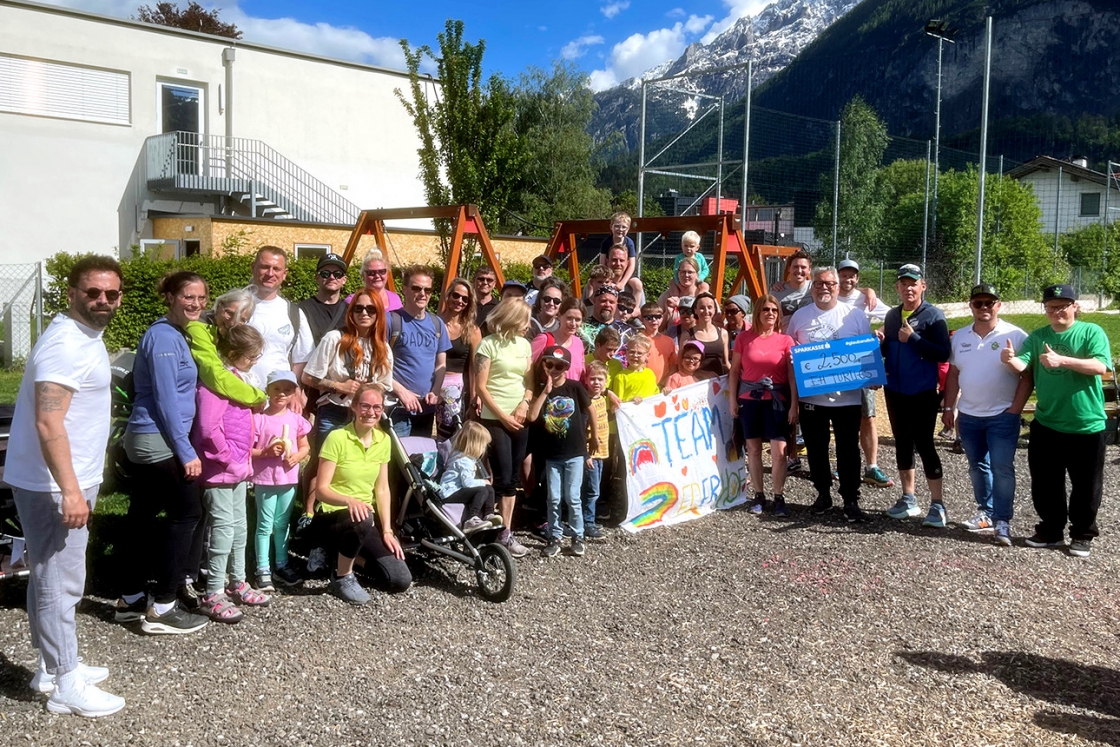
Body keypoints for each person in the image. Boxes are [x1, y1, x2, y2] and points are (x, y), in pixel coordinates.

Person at [6, 255, 126, 716]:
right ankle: (65, 681)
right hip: (55, 484)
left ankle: (48, 664)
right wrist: (71, 490)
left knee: (50, 576)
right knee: (60, 580)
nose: (102, 301)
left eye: (111, 294)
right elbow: (47, 419)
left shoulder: (82, 336)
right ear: (72, 293)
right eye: (92, 292)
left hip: (64, 478)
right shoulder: (65, 344)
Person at [116, 271, 211, 635]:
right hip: (159, 439)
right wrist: (185, 450)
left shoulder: (174, 334)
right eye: (188, 296)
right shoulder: (164, 337)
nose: (197, 304)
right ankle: (164, 607)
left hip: (150, 437)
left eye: (202, 298)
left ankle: (131, 598)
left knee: (141, 517)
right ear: (170, 297)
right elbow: (168, 400)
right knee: (187, 513)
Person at [1002, 283, 1111, 558]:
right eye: (1051, 307)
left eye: (1062, 306)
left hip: (1086, 424)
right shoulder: (1038, 336)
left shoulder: (1091, 332)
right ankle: (1051, 530)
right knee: (1045, 483)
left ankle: (1082, 534)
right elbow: (1023, 366)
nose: (1056, 311)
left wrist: (1063, 360)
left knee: (1086, 485)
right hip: (1048, 423)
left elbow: (1100, 366)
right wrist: (1010, 360)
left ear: (1075, 306)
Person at [194, 324, 271, 623]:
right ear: (235, 354)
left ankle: (237, 582)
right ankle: (213, 591)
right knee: (223, 530)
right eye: (252, 356)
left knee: (240, 527)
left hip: (239, 468)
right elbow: (208, 429)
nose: (255, 361)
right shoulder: (215, 384)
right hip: (221, 471)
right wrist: (227, 460)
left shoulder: (234, 379)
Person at [942, 284, 1030, 546]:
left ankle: (1002, 519)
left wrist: (1015, 409)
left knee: (1002, 468)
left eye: (989, 303)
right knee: (977, 466)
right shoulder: (959, 337)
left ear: (998, 306)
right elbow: (954, 373)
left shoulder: (1015, 335)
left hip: (1002, 415)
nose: (983, 308)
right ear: (970, 306)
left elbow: (1027, 376)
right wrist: (949, 408)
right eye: (978, 303)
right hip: (968, 415)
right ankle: (986, 511)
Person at [311, 384, 411, 604]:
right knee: (363, 517)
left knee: (400, 579)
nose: (371, 412)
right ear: (354, 407)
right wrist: (349, 500)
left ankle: (344, 558)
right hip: (332, 514)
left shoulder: (383, 440)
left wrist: (387, 530)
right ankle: (342, 576)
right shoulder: (337, 438)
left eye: (377, 407)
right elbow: (321, 490)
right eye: (365, 406)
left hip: (363, 520)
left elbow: (382, 488)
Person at [787, 266, 872, 522]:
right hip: (812, 398)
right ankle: (823, 493)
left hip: (848, 398)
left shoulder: (855, 317)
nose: (824, 287)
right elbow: (789, 353)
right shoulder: (800, 317)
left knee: (848, 449)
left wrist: (871, 375)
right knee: (816, 449)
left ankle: (850, 498)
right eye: (819, 283)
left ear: (838, 286)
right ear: (812, 286)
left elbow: (867, 355)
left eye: (829, 284)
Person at [881, 264, 951, 527]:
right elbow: (889, 350)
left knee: (924, 444)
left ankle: (938, 504)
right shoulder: (891, 316)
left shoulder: (934, 316)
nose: (908, 288)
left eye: (914, 283)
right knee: (902, 442)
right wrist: (880, 344)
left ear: (923, 286)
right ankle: (909, 498)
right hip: (895, 390)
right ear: (898, 287)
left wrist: (914, 339)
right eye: (903, 283)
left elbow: (943, 353)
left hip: (921, 392)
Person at [475, 298, 534, 558]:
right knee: (501, 475)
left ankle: (505, 532)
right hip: (494, 419)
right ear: (511, 319)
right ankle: (492, 530)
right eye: (524, 320)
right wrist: (501, 416)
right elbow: (481, 387)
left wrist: (524, 404)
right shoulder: (487, 345)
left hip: (519, 418)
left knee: (512, 479)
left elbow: (529, 381)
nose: (528, 325)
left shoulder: (524, 345)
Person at [729, 294, 794, 517]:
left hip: (777, 400)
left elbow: (791, 375)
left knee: (779, 452)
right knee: (754, 449)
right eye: (766, 309)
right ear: (757, 312)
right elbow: (735, 371)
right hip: (750, 399)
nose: (770, 314)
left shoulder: (786, 340)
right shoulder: (744, 338)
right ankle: (758, 494)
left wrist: (794, 404)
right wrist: (732, 400)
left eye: (774, 310)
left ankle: (779, 496)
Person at [530, 345, 597, 558]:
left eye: (559, 365)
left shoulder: (575, 387)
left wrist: (594, 436)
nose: (554, 369)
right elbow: (532, 417)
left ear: (566, 367)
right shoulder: (541, 388)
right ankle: (555, 536)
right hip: (552, 455)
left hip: (575, 452)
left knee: (572, 496)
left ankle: (578, 535)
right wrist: (545, 392)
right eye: (550, 364)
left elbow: (591, 409)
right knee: (554, 498)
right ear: (544, 365)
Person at [251, 370, 312, 590]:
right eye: (277, 389)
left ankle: (282, 563)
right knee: (264, 524)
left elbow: (305, 446)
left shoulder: (296, 420)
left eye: (287, 390)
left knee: (282, 523)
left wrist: (297, 456)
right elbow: (249, 450)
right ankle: (263, 567)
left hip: (288, 479)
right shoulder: (259, 419)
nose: (281, 394)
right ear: (268, 390)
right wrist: (266, 452)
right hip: (265, 479)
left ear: (294, 393)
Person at [835, 259, 893, 489]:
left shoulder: (865, 298)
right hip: (835, 362)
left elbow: (893, 317)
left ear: (857, 278)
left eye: (852, 276)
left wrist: (878, 333)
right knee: (839, 416)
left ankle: (871, 467)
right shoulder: (828, 294)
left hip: (861, 361)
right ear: (837, 275)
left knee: (867, 415)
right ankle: (843, 465)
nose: (847, 279)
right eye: (843, 275)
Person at [388, 265, 449, 437]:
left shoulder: (437, 324)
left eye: (428, 289)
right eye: (416, 288)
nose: (423, 294)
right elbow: (377, 365)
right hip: (398, 407)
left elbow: (441, 364)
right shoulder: (391, 321)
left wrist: (436, 391)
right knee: (398, 460)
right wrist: (402, 392)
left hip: (426, 408)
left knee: (421, 460)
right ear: (404, 290)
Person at [245, 246, 314, 388]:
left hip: (278, 400)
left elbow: (301, 359)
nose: (270, 273)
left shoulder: (293, 313)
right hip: (239, 396)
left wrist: (294, 389)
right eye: (265, 267)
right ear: (253, 268)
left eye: (276, 269)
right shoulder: (235, 306)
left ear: (284, 274)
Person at [437, 277, 480, 439]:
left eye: (465, 298)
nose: (459, 301)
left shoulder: (472, 330)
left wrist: (475, 398)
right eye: (456, 295)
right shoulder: (434, 323)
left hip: (454, 389)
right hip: (431, 384)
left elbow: (475, 367)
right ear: (448, 296)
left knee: (448, 437)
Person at [438, 421, 501, 532]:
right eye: (483, 446)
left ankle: (489, 514)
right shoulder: (464, 461)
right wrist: (482, 482)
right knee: (482, 490)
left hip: (457, 490)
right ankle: (471, 519)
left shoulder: (466, 458)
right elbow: (467, 483)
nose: (484, 450)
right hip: (449, 493)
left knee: (489, 489)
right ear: (475, 445)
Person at [581, 360, 610, 539]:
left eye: (600, 379)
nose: (596, 383)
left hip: (602, 452)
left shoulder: (603, 400)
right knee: (592, 490)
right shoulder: (585, 403)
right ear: (586, 379)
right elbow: (581, 432)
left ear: (606, 381)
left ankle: (586, 519)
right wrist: (585, 455)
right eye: (592, 379)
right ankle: (587, 523)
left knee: (594, 488)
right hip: (589, 454)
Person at [532, 296, 586, 384]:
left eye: (577, 320)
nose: (573, 324)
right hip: (546, 395)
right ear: (559, 315)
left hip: (572, 395)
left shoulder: (579, 343)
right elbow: (527, 369)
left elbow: (581, 376)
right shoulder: (544, 339)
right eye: (569, 318)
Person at [580, 284, 634, 366]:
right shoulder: (581, 327)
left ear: (616, 304)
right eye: (603, 301)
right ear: (594, 300)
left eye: (612, 302)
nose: (607, 305)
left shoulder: (627, 331)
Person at [680, 292, 730, 376]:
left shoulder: (723, 333)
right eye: (702, 308)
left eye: (710, 307)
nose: (706, 311)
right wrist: (702, 373)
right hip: (697, 383)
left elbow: (726, 363)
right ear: (695, 310)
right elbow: (681, 365)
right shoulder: (687, 335)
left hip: (720, 383)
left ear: (714, 310)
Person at [637, 301, 676, 385]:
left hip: (662, 386)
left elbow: (673, 366)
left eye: (657, 316)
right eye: (649, 317)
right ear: (642, 319)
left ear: (662, 318)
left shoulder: (669, 341)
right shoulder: (638, 339)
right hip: (642, 384)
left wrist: (664, 382)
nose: (653, 320)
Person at [598, 211, 636, 290]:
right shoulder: (606, 242)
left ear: (628, 229)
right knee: (592, 282)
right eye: (617, 226)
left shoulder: (629, 243)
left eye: (624, 227)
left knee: (637, 284)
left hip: (624, 272)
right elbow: (602, 263)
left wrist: (622, 282)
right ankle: (590, 301)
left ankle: (637, 302)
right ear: (611, 227)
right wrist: (607, 278)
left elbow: (632, 265)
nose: (620, 229)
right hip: (610, 271)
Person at [659, 258, 702, 324]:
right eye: (683, 272)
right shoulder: (666, 296)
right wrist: (667, 313)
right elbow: (657, 328)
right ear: (678, 273)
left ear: (697, 274)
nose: (686, 275)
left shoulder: (703, 296)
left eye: (690, 272)